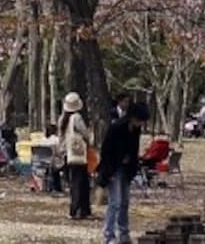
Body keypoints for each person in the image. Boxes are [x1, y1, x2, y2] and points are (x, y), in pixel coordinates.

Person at [98, 100, 150, 244]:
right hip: (113, 168)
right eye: (140, 120)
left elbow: (134, 149)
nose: (141, 124)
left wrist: (133, 165)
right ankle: (109, 235)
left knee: (125, 202)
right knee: (115, 202)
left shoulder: (135, 130)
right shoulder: (117, 127)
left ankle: (124, 232)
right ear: (133, 117)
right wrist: (109, 171)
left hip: (126, 170)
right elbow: (106, 151)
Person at [59, 91, 93, 219]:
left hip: (68, 154)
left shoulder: (63, 119)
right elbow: (85, 133)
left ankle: (78, 209)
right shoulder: (77, 118)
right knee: (81, 183)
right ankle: (78, 210)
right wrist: (90, 139)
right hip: (79, 155)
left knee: (75, 182)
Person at [41, 123, 64, 193]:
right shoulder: (56, 140)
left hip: (42, 161)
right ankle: (57, 186)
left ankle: (46, 186)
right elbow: (58, 152)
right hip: (53, 162)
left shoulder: (43, 140)